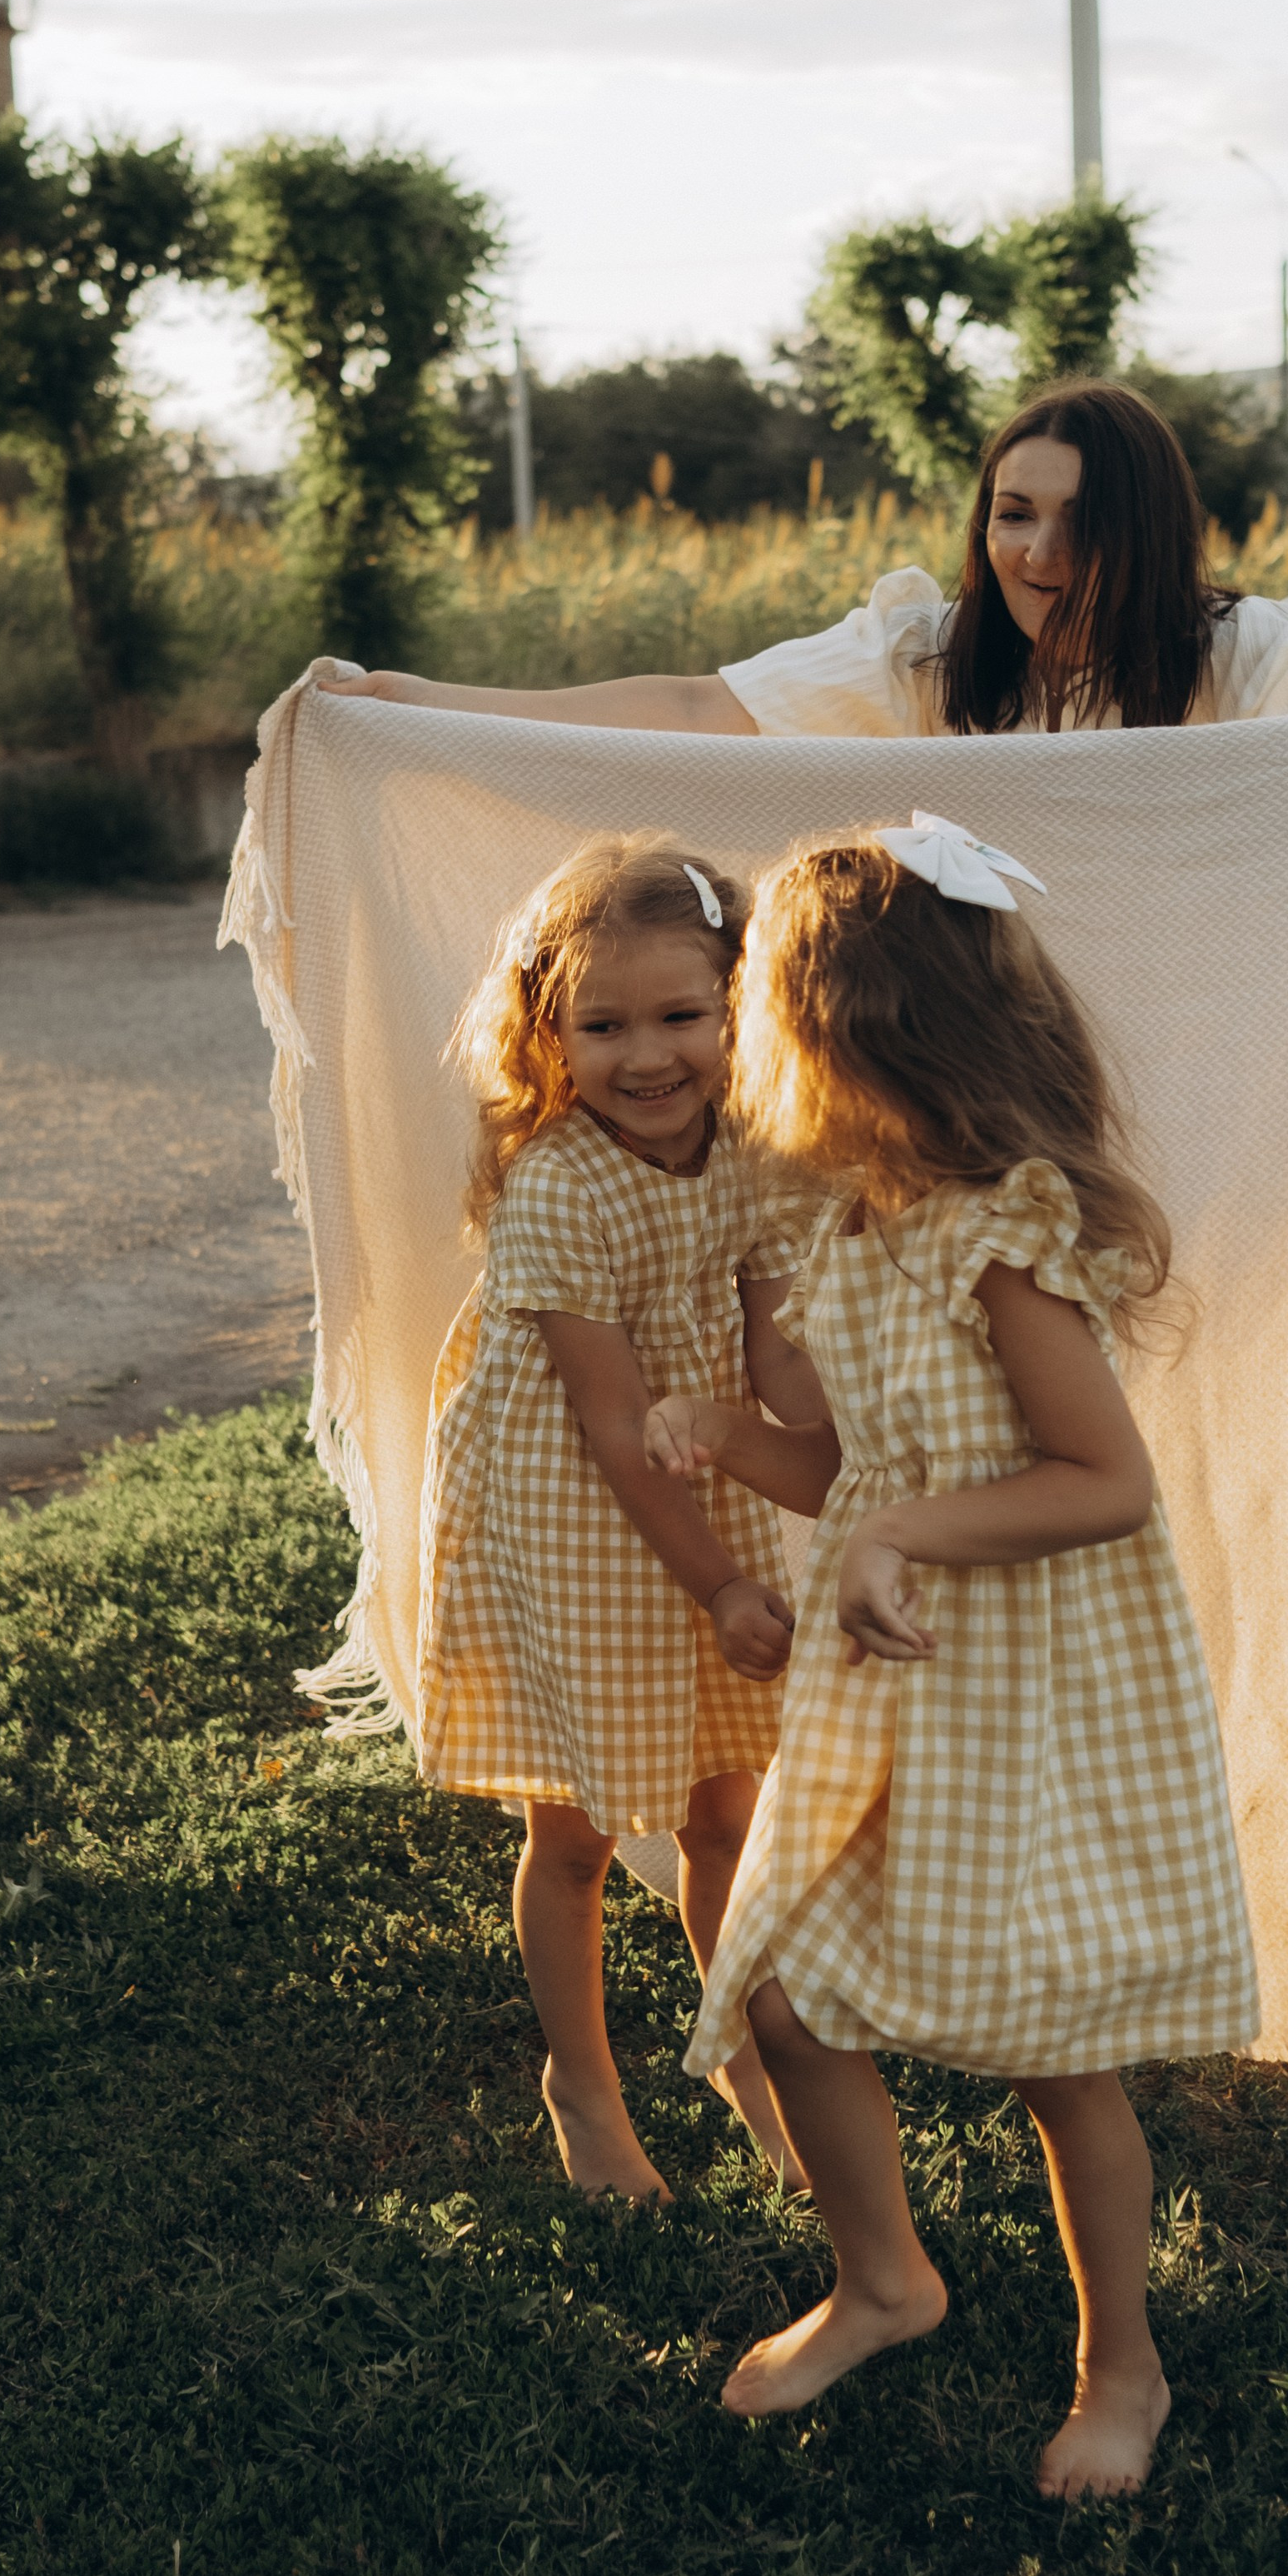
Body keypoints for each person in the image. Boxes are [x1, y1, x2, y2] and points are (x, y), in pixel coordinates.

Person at [640, 813, 1259, 2498]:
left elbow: (1101, 1478)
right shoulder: (858, 1223)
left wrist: (905, 1536)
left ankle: (1119, 2364)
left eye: (759, 1009)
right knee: (780, 1978)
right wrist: (729, 1433)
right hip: (883, 1683)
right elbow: (857, 1475)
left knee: (1054, 2042)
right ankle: (883, 2277)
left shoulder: (1004, 1232)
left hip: (1026, 1695)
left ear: (846, 1033)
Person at [415, 836, 833, 2200]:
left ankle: (739, 2047)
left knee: (728, 1802)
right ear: (550, 1032)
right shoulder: (559, 1180)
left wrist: (852, 1446)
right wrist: (718, 1585)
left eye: (679, 1017)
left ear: (738, 1011)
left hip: (693, 1472)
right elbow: (607, 1424)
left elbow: (774, 1360)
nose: (644, 1056)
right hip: (567, 1506)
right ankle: (581, 2086)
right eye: (602, 1026)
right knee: (580, 1831)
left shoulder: (762, 1150)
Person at [316, 378, 1288, 732]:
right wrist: (416, 700)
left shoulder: (1246, 655)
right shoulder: (922, 660)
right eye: (1012, 513)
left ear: (1155, 536)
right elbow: (703, 710)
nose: (1040, 554)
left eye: (1083, 523)